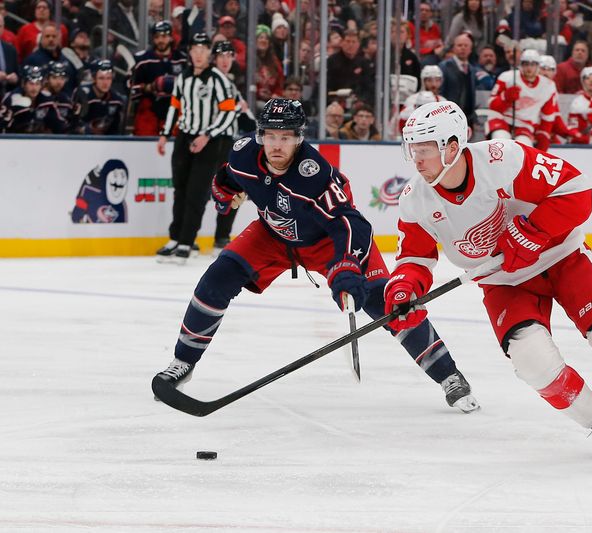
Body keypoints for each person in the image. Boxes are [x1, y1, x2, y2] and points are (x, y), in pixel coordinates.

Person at [388, 100, 592, 458]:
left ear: (452, 147)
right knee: (532, 361)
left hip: (561, 255)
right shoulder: (416, 201)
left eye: (424, 150)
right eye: (413, 150)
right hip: (503, 280)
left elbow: (577, 192)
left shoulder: (504, 160)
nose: (417, 160)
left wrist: (531, 233)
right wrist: (404, 288)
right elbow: (414, 258)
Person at [153, 98, 480, 414]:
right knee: (216, 278)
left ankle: (448, 374)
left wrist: (347, 266)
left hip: (328, 242)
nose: (277, 145)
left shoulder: (314, 175)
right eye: (270, 136)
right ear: (260, 136)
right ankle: (183, 361)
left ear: (298, 139)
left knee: (386, 301)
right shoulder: (243, 154)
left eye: (285, 137)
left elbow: (352, 224)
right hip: (273, 234)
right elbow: (228, 174)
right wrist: (222, 190)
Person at [155, 32, 238, 264]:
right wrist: (164, 134)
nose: (199, 54)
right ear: (190, 52)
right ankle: (175, 238)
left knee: (196, 192)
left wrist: (207, 135)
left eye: (204, 49)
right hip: (184, 137)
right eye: (196, 49)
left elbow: (228, 112)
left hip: (209, 141)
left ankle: (186, 241)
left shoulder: (218, 80)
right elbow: (174, 107)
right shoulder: (183, 77)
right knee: (179, 189)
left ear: (209, 54)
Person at [210, 39, 247, 257]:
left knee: (232, 189)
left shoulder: (230, 83)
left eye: (229, 56)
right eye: (221, 56)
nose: (225, 60)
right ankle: (186, 238)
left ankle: (221, 236)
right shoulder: (209, 80)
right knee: (201, 191)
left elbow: (243, 109)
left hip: (229, 141)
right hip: (212, 141)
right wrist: (236, 108)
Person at [487, 48, 557, 149]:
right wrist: (505, 97)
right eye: (526, 64)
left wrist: (543, 134)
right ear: (521, 65)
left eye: (533, 64)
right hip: (502, 119)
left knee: (524, 148)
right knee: (500, 143)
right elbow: (491, 105)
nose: (529, 68)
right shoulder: (507, 78)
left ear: (538, 66)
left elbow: (548, 115)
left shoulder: (548, 85)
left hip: (525, 125)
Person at [130, 21, 187, 136]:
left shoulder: (182, 59)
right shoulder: (141, 60)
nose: (160, 40)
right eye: (157, 37)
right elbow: (129, 87)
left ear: (171, 37)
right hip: (149, 110)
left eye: (164, 36)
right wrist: (149, 87)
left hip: (175, 108)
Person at [72, 59, 126, 135]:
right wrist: (86, 129)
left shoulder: (116, 100)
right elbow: (73, 123)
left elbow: (115, 129)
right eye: (101, 78)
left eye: (109, 78)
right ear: (94, 78)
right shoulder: (82, 95)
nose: (105, 83)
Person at [567, 66, 592, 144]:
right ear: (583, 81)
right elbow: (572, 128)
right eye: (588, 78)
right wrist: (582, 138)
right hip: (584, 145)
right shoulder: (577, 102)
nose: (591, 81)